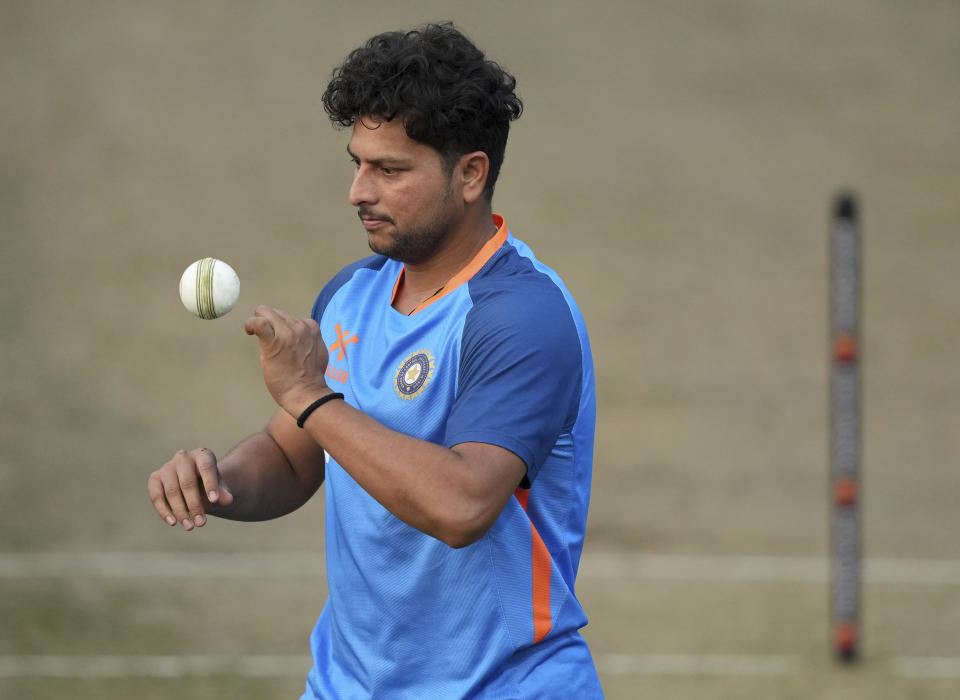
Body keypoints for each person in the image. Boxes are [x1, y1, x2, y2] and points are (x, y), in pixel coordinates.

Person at [148, 22, 602, 699]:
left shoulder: (522, 317)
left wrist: (310, 397)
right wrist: (219, 482)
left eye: (390, 170)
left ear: (471, 173)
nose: (359, 191)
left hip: (506, 688)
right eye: (358, 163)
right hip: (347, 685)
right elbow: (295, 454)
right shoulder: (352, 295)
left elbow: (462, 504)